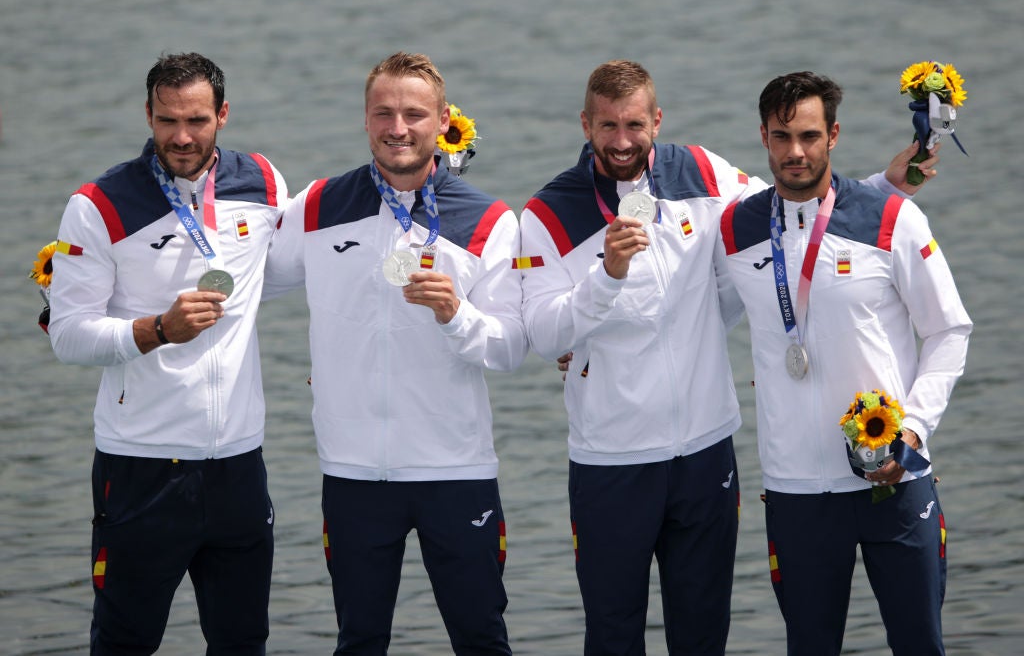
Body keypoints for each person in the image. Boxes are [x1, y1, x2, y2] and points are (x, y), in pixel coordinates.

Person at [518, 60, 938, 655]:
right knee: (612, 637)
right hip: (611, 458)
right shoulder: (547, 214)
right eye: (606, 125)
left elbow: (798, 208)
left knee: (704, 635)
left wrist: (882, 189)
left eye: (634, 124)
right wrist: (604, 279)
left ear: (656, 120)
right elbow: (539, 333)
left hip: (705, 452)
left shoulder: (703, 172)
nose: (621, 141)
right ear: (585, 124)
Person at [263, 52, 527, 655]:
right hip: (354, 472)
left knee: (482, 639)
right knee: (359, 642)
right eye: (383, 112)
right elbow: (243, 286)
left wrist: (455, 314)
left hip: (454, 471)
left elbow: (511, 349)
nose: (398, 127)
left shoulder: (489, 218)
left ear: (442, 122)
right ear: (365, 119)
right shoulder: (317, 206)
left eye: (413, 113)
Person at [718, 71, 971, 655]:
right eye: (781, 137)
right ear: (763, 137)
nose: (796, 152)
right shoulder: (736, 229)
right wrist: (587, 337)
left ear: (834, 134)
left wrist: (914, 427)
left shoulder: (891, 220)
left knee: (919, 645)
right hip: (797, 491)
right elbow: (680, 303)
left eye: (809, 135)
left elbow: (949, 331)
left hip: (896, 475)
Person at [48, 52, 287, 655]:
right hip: (142, 466)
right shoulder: (97, 205)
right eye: (166, 120)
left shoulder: (261, 181)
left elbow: (303, 268)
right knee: (124, 644)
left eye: (197, 120)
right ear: (147, 115)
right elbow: (70, 336)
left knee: (243, 643)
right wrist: (156, 329)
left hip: (238, 463)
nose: (181, 137)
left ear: (223, 115)